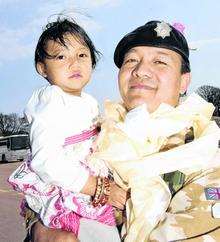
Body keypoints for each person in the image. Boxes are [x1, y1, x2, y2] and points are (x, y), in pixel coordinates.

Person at [17, 19, 220, 241]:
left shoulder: (202, 156)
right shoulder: (105, 130)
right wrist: (39, 228)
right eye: (131, 60)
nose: (141, 70)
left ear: (183, 81)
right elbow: (47, 183)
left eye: (160, 62)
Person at [8, 17, 126, 242]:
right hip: (65, 187)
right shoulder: (50, 99)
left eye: (82, 55)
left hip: (84, 185)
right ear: (42, 68)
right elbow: (47, 161)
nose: (75, 63)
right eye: (61, 56)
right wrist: (99, 187)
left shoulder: (88, 101)